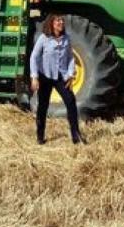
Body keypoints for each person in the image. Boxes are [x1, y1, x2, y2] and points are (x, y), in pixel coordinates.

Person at [29, 14, 85, 145]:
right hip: (45, 76)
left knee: (71, 102)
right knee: (43, 106)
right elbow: (34, 57)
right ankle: (40, 136)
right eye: (58, 20)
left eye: (62, 20)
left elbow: (70, 58)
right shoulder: (44, 38)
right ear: (51, 23)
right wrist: (34, 77)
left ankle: (76, 137)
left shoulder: (66, 39)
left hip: (61, 77)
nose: (61, 22)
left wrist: (71, 75)